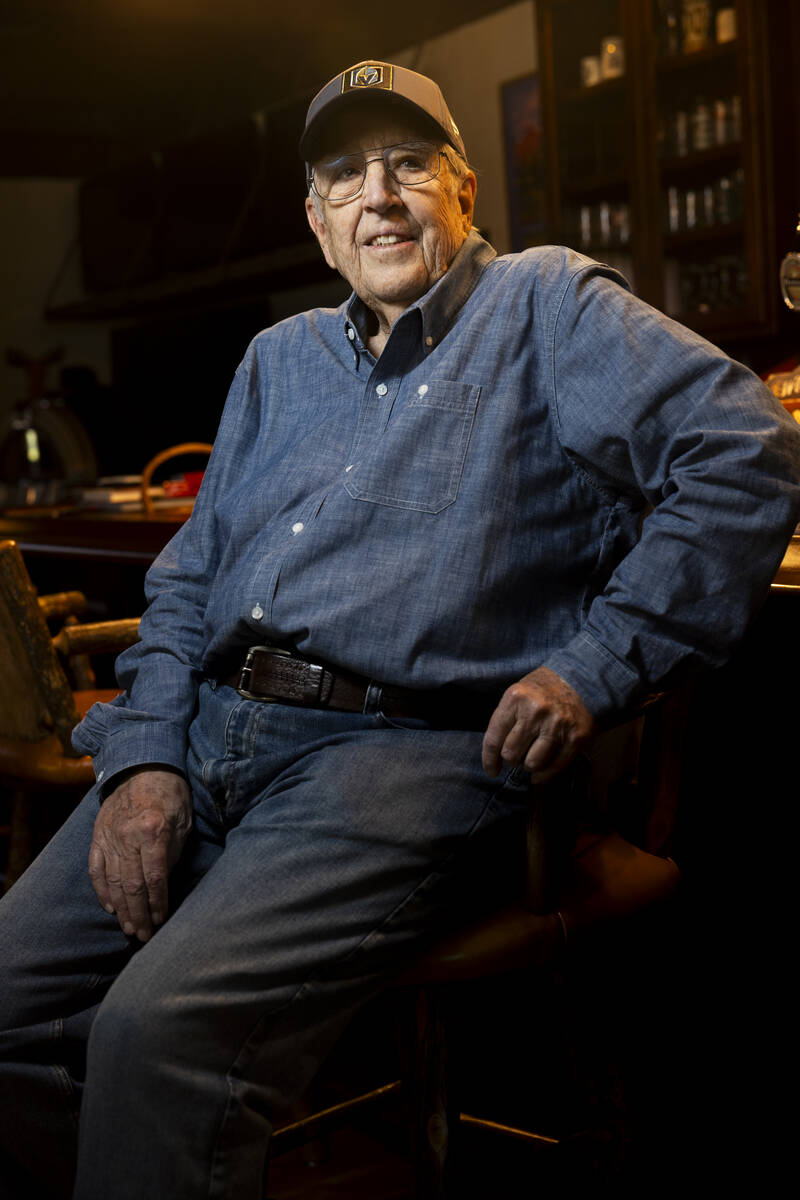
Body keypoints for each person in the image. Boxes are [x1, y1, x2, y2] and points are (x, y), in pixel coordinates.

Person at [1, 58, 799, 1200]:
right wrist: (141, 756)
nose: (377, 194)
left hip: (396, 760)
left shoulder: (546, 303)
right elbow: (188, 581)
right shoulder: (277, 361)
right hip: (210, 731)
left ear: (462, 189)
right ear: (318, 224)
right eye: (344, 176)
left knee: (150, 1039)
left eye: (406, 163)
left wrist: (592, 669)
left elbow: (747, 454)